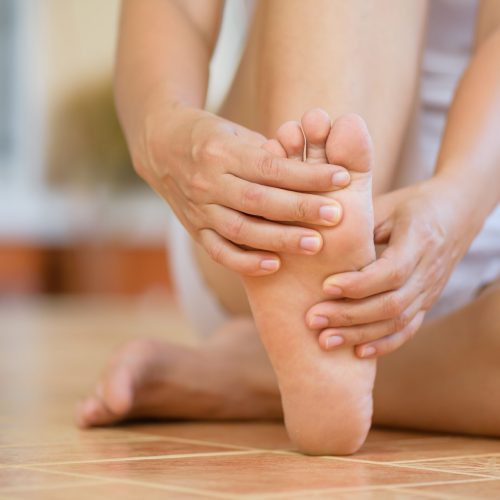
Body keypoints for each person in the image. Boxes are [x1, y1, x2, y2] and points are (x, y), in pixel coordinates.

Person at [77, 0, 500, 455]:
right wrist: (161, 129)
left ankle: (259, 373)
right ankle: (316, 272)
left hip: (475, 197)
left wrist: (458, 200)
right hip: (258, 223)